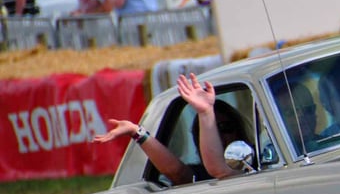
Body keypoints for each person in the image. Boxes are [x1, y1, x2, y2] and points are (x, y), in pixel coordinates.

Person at [94, 74, 250, 185]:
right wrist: (136, 132)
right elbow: (177, 172)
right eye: (206, 131)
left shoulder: (261, 158)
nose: (219, 135)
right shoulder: (202, 173)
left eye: (224, 127)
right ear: (198, 139)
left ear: (239, 129)